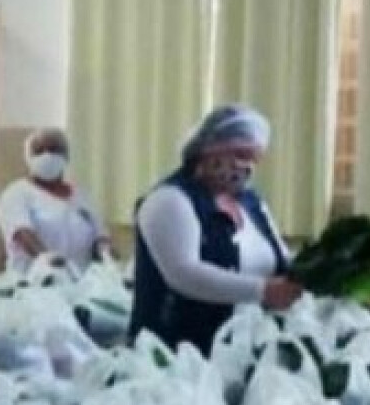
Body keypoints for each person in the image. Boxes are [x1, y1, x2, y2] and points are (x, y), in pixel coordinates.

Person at [129, 104, 301, 355]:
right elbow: (184, 274)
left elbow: (279, 257)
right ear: (209, 153)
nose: (247, 168)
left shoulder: (250, 202)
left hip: (238, 350)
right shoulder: (170, 200)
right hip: (176, 354)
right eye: (240, 156)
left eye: (253, 159)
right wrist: (262, 291)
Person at [0, 127, 111, 274]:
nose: (47, 156)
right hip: (34, 284)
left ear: (66, 156)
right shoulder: (17, 194)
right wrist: (49, 261)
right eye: (39, 151)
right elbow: (23, 234)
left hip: (81, 284)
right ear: (28, 158)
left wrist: (107, 257)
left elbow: (100, 236)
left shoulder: (82, 196)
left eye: (54, 149)